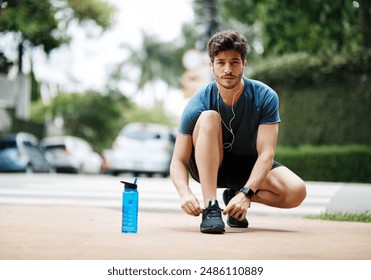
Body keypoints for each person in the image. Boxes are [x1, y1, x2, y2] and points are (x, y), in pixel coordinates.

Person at [170, 30, 306, 234]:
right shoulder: (199, 100)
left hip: (246, 167)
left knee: (296, 191)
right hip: (207, 165)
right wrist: (185, 192)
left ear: (244, 64)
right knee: (209, 117)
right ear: (211, 66)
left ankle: (234, 197)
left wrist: (246, 194)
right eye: (221, 62)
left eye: (234, 62)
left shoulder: (265, 96)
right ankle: (211, 207)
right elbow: (178, 160)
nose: (228, 69)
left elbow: (267, 154)